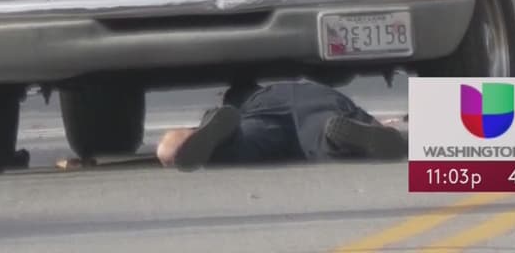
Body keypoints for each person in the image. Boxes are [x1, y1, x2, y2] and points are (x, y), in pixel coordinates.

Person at [155, 80, 408, 171]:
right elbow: (373, 123)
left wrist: (172, 151)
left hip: (264, 111)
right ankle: (339, 141)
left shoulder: (251, 101)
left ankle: (214, 135)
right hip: (321, 102)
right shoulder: (316, 89)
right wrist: (385, 129)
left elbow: (166, 154)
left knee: (240, 143)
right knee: (326, 135)